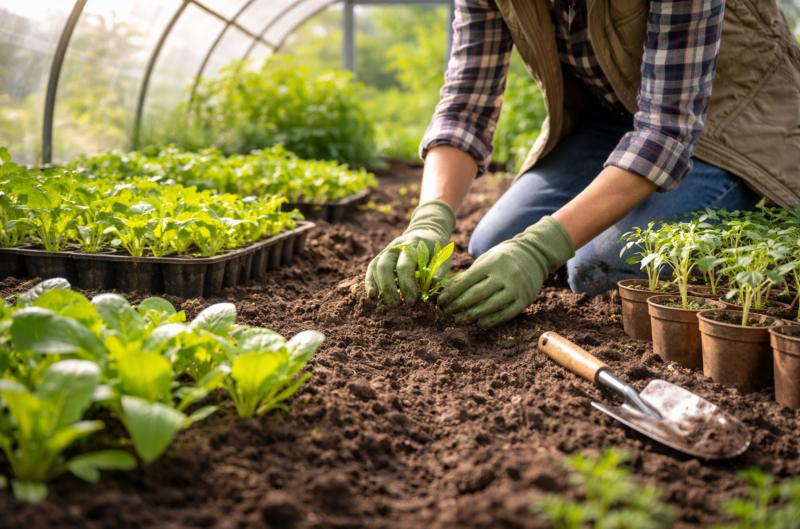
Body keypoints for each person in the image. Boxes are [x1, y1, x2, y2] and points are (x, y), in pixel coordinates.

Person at [365, 0, 800, 328]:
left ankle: (741, 205)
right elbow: (466, 105)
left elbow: (666, 131)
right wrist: (429, 220)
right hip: (612, 118)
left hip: (726, 123)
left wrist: (540, 250)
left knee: (600, 268)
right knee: (492, 244)